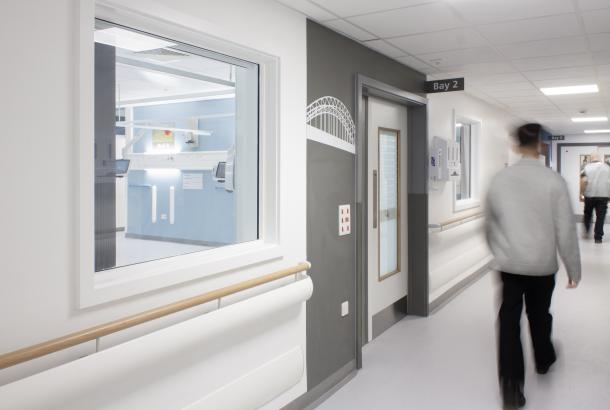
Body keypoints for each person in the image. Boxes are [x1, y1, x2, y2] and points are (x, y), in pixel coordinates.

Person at [484, 123, 581, 409]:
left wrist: (499, 251)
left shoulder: (500, 179)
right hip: (542, 266)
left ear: (515, 146)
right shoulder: (554, 181)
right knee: (539, 315)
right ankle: (544, 359)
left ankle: (512, 390)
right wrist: (573, 269)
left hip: (510, 265)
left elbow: (489, 224)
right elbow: (565, 231)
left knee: (509, 325)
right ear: (540, 145)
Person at [580, 151, 610, 243]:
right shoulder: (607, 168)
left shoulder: (586, 167)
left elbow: (583, 181)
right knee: (600, 217)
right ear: (600, 159)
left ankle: (587, 231)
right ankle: (598, 238)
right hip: (603, 195)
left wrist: (582, 193)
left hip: (589, 195)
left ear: (591, 158)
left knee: (588, 214)